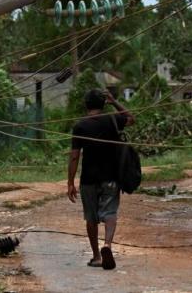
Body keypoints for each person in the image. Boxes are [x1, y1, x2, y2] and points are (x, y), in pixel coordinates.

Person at [67, 89, 134, 270]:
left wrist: (70, 182)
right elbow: (131, 118)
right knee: (110, 213)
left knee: (91, 217)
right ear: (103, 104)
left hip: (88, 179)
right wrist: (114, 102)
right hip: (111, 177)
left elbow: (74, 157)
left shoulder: (80, 126)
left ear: (85, 105)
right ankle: (108, 245)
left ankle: (97, 256)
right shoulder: (113, 120)